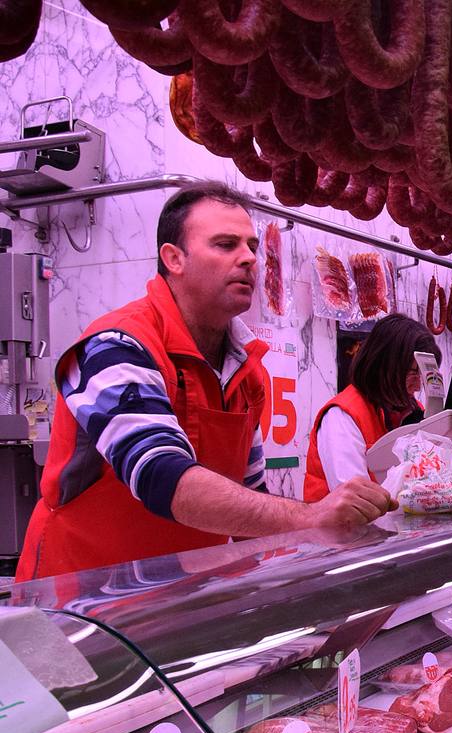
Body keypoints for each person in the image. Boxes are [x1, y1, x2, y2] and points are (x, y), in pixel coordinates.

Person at [17, 182, 394, 581]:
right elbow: (160, 475)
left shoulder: (247, 370)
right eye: (226, 244)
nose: (249, 259)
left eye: (252, 246)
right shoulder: (117, 344)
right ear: (174, 258)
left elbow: (250, 497)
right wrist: (310, 516)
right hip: (80, 600)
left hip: (182, 599)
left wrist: (289, 577)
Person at [304, 314, 440, 500]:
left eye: (424, 376)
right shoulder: (342, 415)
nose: (418, 386)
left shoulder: (415, 409)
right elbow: (355, 499)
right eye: (413, 373)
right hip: (342, 527)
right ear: (384, 365)